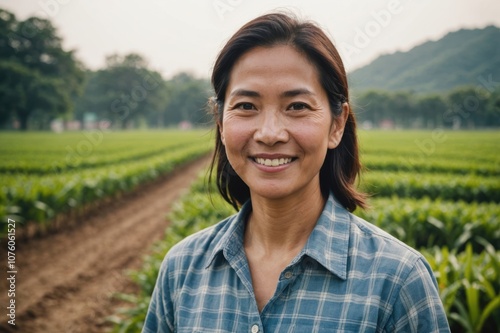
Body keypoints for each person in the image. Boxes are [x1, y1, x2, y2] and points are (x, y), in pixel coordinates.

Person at [142, 12, 450, 332]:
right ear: (220, 123)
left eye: (297, 106)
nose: (270, 133)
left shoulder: (398, 281)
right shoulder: (182, 270)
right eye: (246, 106)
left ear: (337, 124)